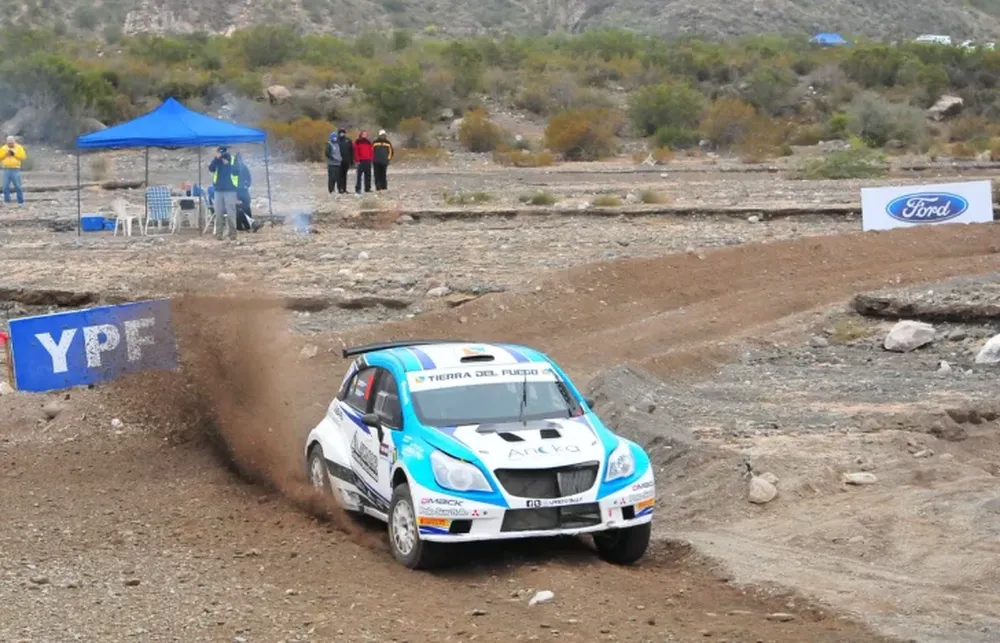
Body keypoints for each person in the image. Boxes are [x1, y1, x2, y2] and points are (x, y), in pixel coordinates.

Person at [208, 146, 239, 240]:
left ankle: (232, 234)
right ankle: (219, 234)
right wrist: (216, 159)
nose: (220, 155)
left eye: (220, 153)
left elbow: (237, 172)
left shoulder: (233, 159)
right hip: (218, 190)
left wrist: (228, 164)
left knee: (231, 213)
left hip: (230, 190)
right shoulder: (217, 160)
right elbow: (211, 168)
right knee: (218, 213)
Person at [233, 152, 262, 232]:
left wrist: (246, 185)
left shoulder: (244, 167)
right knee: (239, 208)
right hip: (236, 191)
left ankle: (249, 225)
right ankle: (245, 225)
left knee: (246, 207)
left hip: (243, 190)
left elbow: (249, 178)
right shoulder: (233, 169)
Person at [2, 136, 26, 205]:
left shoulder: (19, 147)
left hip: (15, 169)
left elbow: (23, 157)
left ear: (14, 142)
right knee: (5, 186)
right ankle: (7, 201)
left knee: (18, 186)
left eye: (11, 143)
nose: (10, 145)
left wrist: (14, 154)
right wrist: (5, 154)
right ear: (7, 142)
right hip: (6, 169)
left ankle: (20, 202)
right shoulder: (3, 148)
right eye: (9, 143)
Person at [353, 130, 374, 195]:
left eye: (366, 134)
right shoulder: (357, 141)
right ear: (361, 134)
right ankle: (358, 189)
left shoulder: (368, 142)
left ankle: (367, 188)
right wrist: (357, 160)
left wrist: (371, 158)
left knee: (368, 175)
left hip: (368, 160)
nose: (365, 135)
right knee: (359, 176)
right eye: (363, 134)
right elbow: (355, 151)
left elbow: (371, 151)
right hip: (361, 161)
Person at [336, 129, 353, 194]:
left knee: (345, 175)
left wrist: (351, 160)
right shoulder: (337, 140)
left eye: (343, 132)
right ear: (339, 133)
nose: (342, 134)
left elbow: (351, 151)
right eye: (341, 133)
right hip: (339, 161)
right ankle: (339, 188)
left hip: (346, 160)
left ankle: (344, 188)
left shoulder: (348, 140)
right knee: (339, 175)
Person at [325, 130, 342, 195]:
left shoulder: (337, 144)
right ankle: (331, 190)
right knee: (332, 177)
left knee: (337, 177)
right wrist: (334, 158)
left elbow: (338, 153)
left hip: (338, 164)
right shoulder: (329, 144)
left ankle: (337, 189)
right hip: (331, 164)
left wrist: (340, 158)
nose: (335, 138)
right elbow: (327, 154)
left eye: (336, 137)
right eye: (334, 137)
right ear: (331, 137)